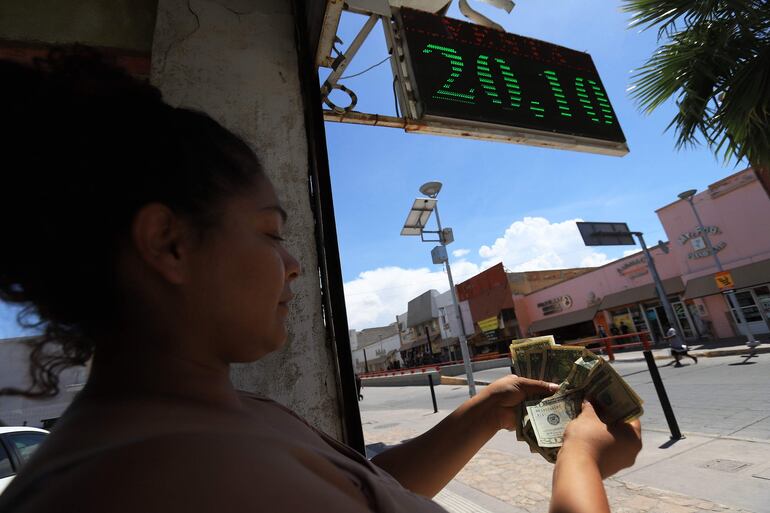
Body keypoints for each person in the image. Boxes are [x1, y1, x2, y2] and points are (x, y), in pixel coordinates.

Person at [0, 49, 641, 513]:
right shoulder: (170, 479)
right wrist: (581, 461)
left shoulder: (199, 419)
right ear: (168, 243)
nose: (294, 264)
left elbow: (362, 488)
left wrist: (480, 412)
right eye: (270, 232)